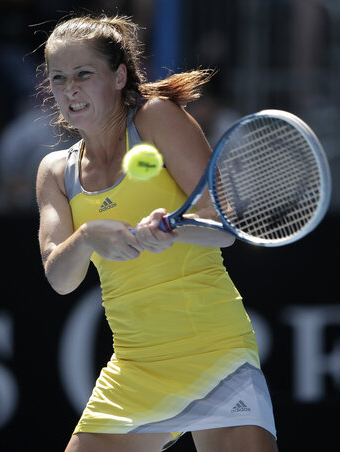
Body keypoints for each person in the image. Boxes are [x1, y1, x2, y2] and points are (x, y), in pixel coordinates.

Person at [36, 12, 278, 452]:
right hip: (134, 367)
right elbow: (60, 277)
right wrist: (88, 235)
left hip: (214, 351)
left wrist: (174, 230)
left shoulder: (156, 118)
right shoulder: (55, 171)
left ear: (118, 76)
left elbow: (223, 229)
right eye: (58, 78)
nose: (69, 89)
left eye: (83, 74)